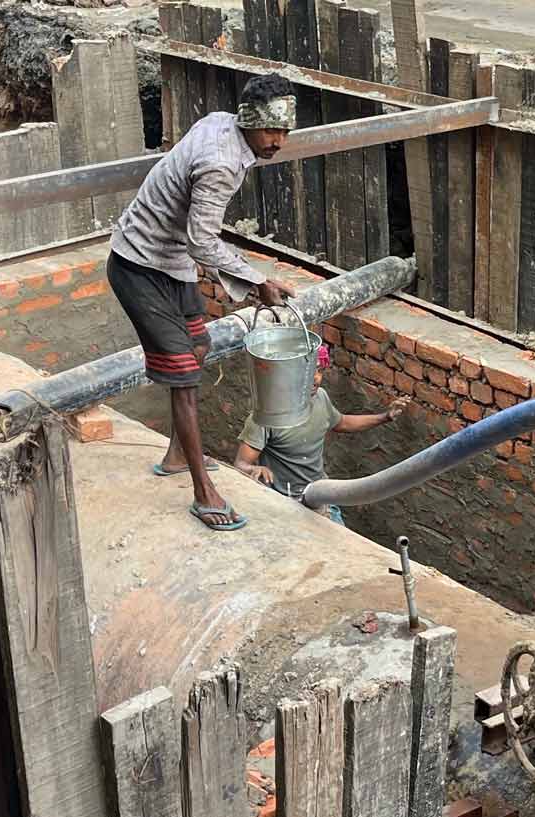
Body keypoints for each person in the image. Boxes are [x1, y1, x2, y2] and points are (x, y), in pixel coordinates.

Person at [107, 73, 299, 532]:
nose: (278, 142)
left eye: (284, 131)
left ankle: (178, 454)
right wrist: (258, 282)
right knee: (184, 378)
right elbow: (202, 241)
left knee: (198, 345)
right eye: (271, 131)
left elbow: (191, 237)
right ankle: (203, 492)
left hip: (170, 262)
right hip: (138, 267)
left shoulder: (220, 122)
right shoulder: (221, 164)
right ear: (248, 121)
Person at [233, 345, 409, 525]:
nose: (315, 378)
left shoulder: (321, 398)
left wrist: (385, 417)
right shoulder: (266, 416)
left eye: (319, 370)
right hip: (285, 505)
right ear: (287, 375)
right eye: (307, 372)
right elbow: (240, 464)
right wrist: (254, 469)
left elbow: (342, 422)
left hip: (321, 499)